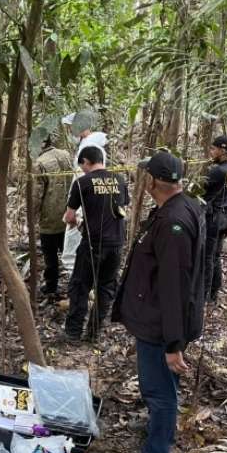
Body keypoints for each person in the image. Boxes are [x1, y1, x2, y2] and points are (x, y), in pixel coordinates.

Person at [112, 151, 205, 453]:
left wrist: (173, 343)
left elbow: (174, 285)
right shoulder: (184, 207)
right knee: (165, 387)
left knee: (159, 391)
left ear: (153, 182)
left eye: (146, 176)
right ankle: (158, 429)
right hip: (163, 320)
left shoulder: (173, 223)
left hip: (161, 326)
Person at [63, 145, 129, 342]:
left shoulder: (82, 183)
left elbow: (68, 216)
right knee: (106, 288)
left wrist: (78, 223)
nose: (82, 169)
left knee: (80, 286)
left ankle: (73, 333)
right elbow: (122, 208)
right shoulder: (120, 180)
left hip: (93, 244)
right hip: (116, 244)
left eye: (82, 165)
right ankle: (94, 333)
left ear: (85, 162)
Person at [61, 110, 108, 275]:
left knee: (75, 229)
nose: (69, 131)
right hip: (85, 193)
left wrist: (74, 205)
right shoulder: (88, 143)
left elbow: (86, 174)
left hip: (85, 194)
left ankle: (74, 269)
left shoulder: (90, 145)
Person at [32, 137, 74, 295]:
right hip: (70, 213)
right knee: (69, 251)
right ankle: (75, 284)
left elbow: (36, 195)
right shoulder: (65, 155)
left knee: (50, 256)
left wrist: (32, 217)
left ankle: (51, 286)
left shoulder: (39, 163)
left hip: (49, 219)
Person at [203, 135, 227, 302]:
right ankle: (213, 293)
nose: (211, 152)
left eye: (213, 149)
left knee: (208, 257)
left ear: (223, 150)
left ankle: (205, 296)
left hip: (214, 217)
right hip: (226, 216)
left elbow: (203, 193)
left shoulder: (218, 171)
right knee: (215, 256)